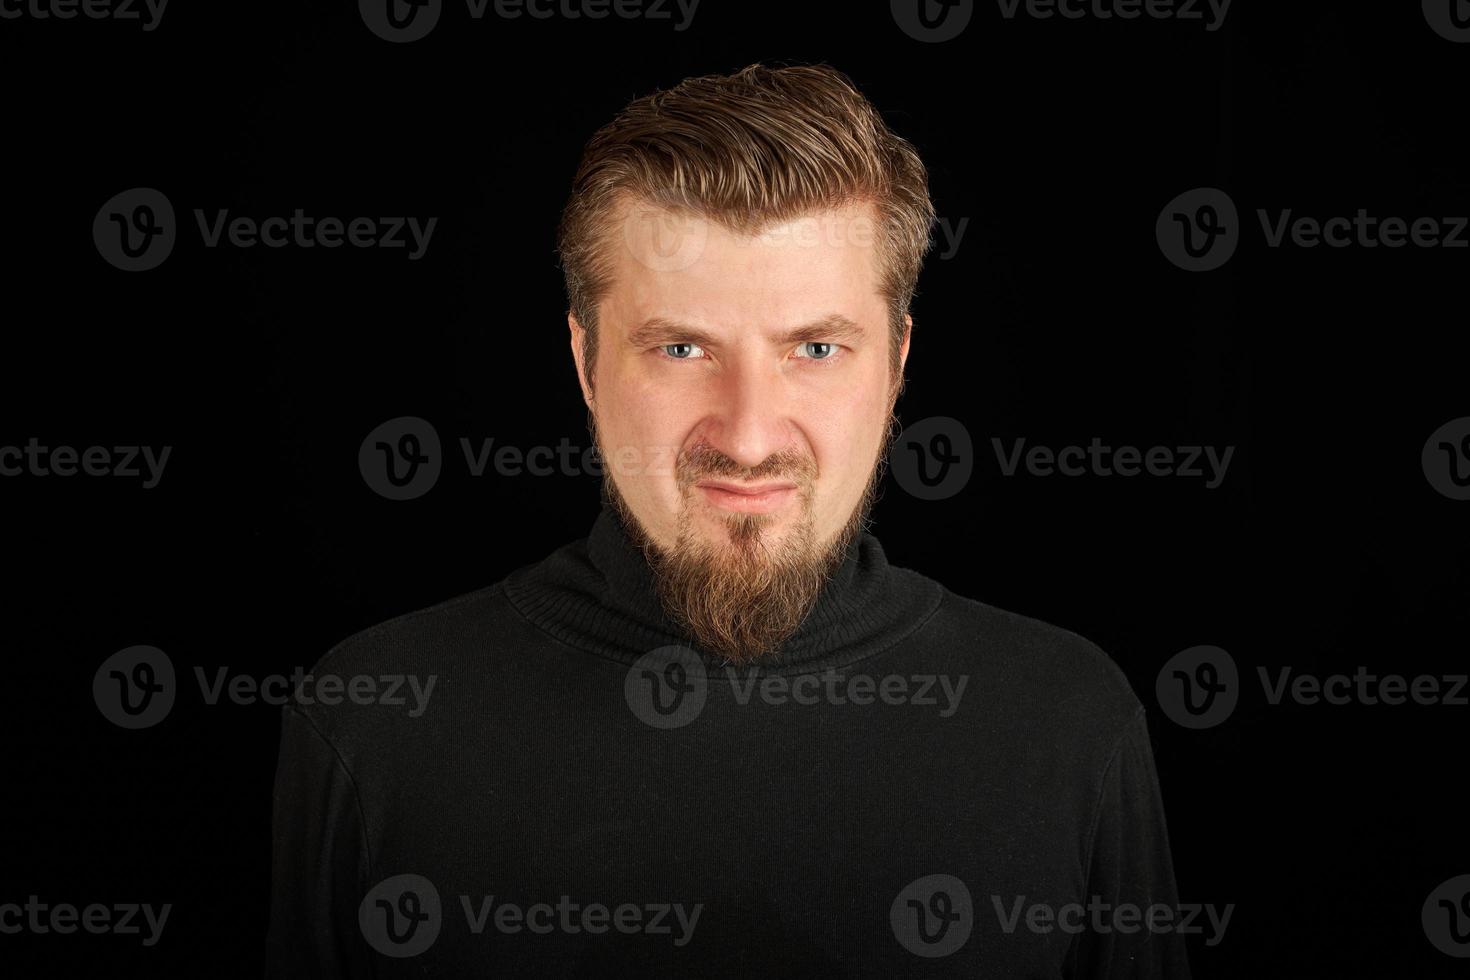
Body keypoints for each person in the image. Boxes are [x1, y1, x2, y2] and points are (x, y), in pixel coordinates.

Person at [265, 62, 1191, 977]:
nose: (748, 437)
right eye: (679, 347)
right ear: (586, 362)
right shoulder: (376, 725)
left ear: (898, 362)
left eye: (816, 349)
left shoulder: (1068, 721)